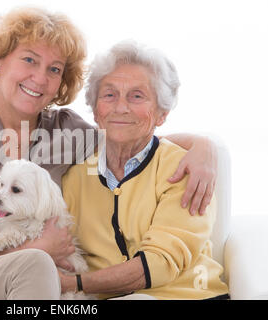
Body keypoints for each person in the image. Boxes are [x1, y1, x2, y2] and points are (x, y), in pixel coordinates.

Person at [0, 7, 220, 300]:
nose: (40, 77)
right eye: (30, 59)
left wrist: (203, 148)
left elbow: (131, 134)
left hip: (25, 283)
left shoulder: (67, 131)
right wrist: (32, 248)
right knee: (36, 265)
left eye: (54, 69)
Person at [61, 40, 229, 300]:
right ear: (95, 111)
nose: (120, 107)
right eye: (109, 95)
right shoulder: (74, 177)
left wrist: (72, 284)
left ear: (161, 114)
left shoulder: (185, 170)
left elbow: (157, 265)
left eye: (137, 96)